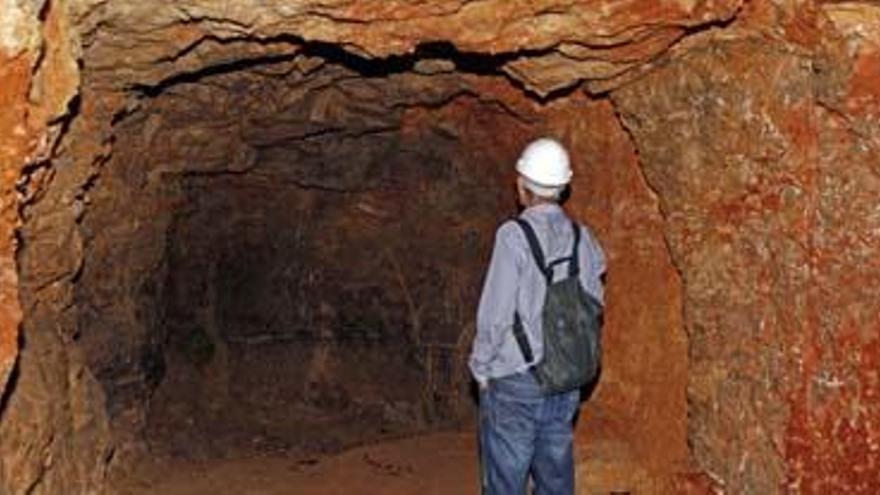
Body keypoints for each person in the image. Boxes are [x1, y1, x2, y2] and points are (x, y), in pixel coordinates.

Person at [469, 137, 606, 494]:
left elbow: (495, 314)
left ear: (521, 184)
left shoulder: (513, 237)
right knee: (555, 476)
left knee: (506, 479)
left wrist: (481, 367)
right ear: (564, 186)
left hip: (517, 378)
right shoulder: (582, 238)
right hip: (565, 377)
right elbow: (593, 301)